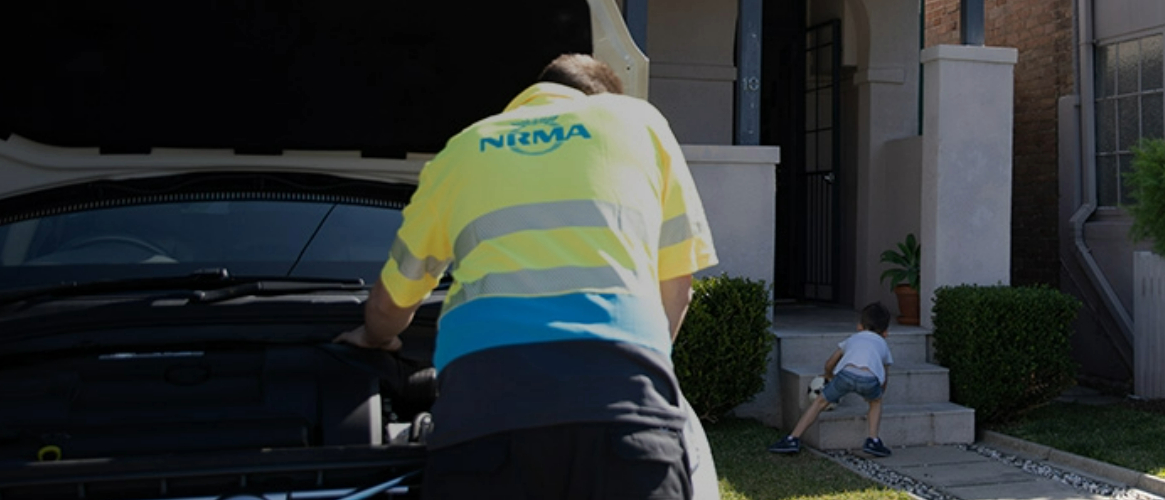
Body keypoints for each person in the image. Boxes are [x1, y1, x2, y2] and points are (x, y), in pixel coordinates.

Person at [333, 53, 718, 499]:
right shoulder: (637, 122)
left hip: (484, 419)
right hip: (623, 415)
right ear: (602, 98)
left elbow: (388, 304)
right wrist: (637, 370)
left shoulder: (462, 149)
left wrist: (375, 340)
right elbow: (677, 287)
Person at [768, 303, 896, 457]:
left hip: (845, 375)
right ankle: (873, 440)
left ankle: (792, 438)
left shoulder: (851, 339)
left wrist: (828, 375)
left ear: (859, 326)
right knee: (875, 403)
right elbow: (884, 373)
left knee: (819, 402)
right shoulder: (883, 344)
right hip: (869, 379)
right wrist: (880, 391)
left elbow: (830, 362)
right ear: (885, 333)